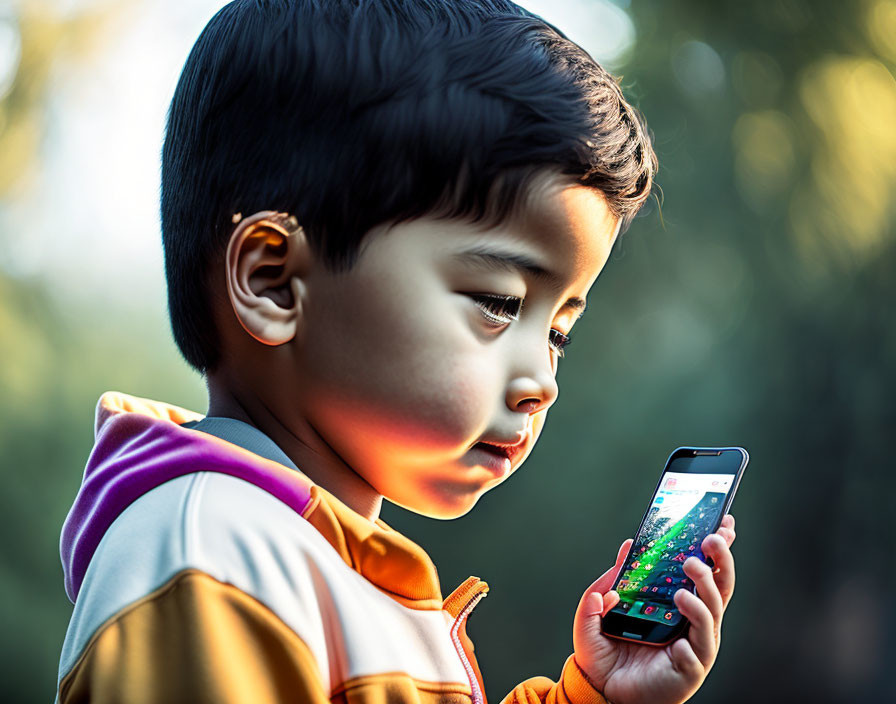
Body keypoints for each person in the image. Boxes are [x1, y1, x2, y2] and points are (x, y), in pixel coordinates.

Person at [54, 1, 738, 702]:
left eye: (559, 331)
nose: (543, 382)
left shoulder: (320, 567)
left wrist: (596, 696)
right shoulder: (211, 561)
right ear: (275, 283)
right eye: (500, 304)